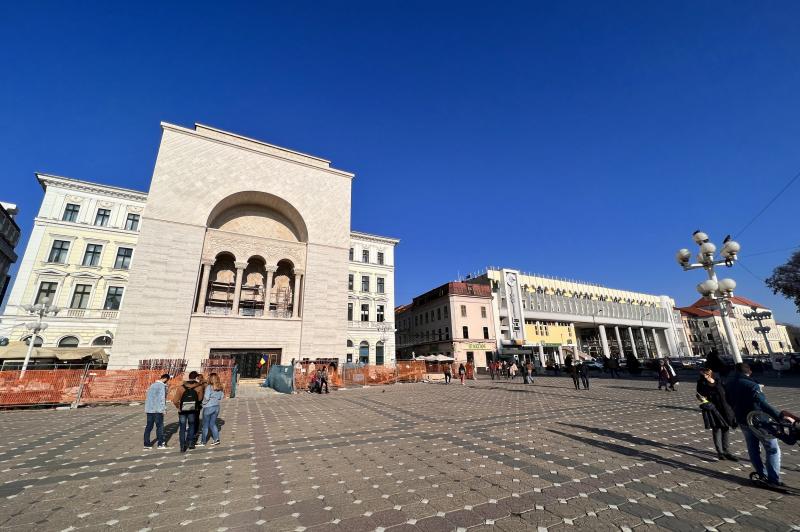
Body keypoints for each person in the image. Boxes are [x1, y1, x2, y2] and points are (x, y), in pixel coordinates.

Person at [726, 363, 784, 487]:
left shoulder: (729, 384)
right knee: (772, 448)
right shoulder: (752, 385)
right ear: (750, 372)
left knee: (753, 448)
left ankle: (761, 474)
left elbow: (728, 401)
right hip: (758, 421)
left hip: (742, 420)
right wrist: (780, 415)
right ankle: (773, 478)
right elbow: (763, 404)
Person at [696, 368, 737, 461]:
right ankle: (720, 452)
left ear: (710, 373)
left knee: (726, 428)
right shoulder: (701, 383)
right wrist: (704, 401)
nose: (704, 376)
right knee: (716, 429)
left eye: (706, 374)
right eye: (702, 375)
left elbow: (727, 392)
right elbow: (699, 395)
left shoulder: (719, 381)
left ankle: (727, 451)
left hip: (725, 408)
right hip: (713, 409)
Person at [172, 371, 204, 453]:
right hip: (193, 410)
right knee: (192, 425)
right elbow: (200, 399)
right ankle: (191, 443)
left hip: (182, 410)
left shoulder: (181, 387)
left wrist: (178, 407)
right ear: (196, 377)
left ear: (189, 377)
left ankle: (182, 446)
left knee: (182, 428)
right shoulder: (199, 387)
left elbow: (175, 400)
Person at [144, 374, 170, 450]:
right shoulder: (162, 386)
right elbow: (162, 398)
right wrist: (164, 409)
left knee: (148, 427)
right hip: (158, 410)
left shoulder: (152, 385)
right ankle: (160, 443)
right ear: (165, 379)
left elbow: (148, 397)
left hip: (149, 409)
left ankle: (146, 444)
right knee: (159, 427)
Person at [199, 373, 224, 446]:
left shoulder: (209, 387)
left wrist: (203, 403)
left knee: (205, 425)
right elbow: (221, 397)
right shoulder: (220, 387)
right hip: (216, 406)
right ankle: (216, 439)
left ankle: (203, 441)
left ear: (210, 379)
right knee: (213, 424)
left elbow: (206, 397)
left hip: (208, 407)